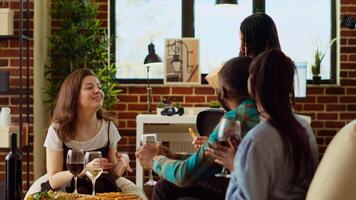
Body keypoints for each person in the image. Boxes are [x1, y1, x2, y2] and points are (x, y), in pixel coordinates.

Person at [136, 56, 260, 200]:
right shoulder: (264, 110)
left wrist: (155, 160)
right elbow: (214, 162)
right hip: (256, 185)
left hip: (242, 188)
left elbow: (184, 176)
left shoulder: (233, 120)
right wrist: (174, 157)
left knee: (164, 186)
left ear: (223, 92)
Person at [225, 49, 319, 199]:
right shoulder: (304, 128)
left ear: (253, 82)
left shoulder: (257, 139)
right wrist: (243, 158)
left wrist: (235, 166)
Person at [41, 69, 147, 199]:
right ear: (73, 96)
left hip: (101, 189)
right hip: (65, 191)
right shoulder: (57, 130)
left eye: (99, 87)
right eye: (89, 87)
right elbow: (54, 180)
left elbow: (111, 175)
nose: (98, 91)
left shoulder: (108, 128)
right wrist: (85, 169)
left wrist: (122, 161)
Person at [198, 12, 282, 168]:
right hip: (243, 159)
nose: (240, 47)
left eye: (243, 41)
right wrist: (212, 143)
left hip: (246, 165)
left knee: (168, 185)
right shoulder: (277, 77)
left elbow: (242, 120)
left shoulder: (258, 83)